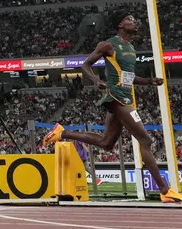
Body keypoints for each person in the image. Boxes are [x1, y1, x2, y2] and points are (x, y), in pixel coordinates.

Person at [43, 11, 182, 203]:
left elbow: (128, 77)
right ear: (120, 24)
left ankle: (62, 132)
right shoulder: (108, 45)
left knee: (106, 143)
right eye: (129, 19)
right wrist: (96, 81)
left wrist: (150, 81)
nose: (134, 22)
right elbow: (85, 65)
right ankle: (165, 190)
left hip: (125, 96)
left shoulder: (130, 48)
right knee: (145, 140)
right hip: (116, 97)